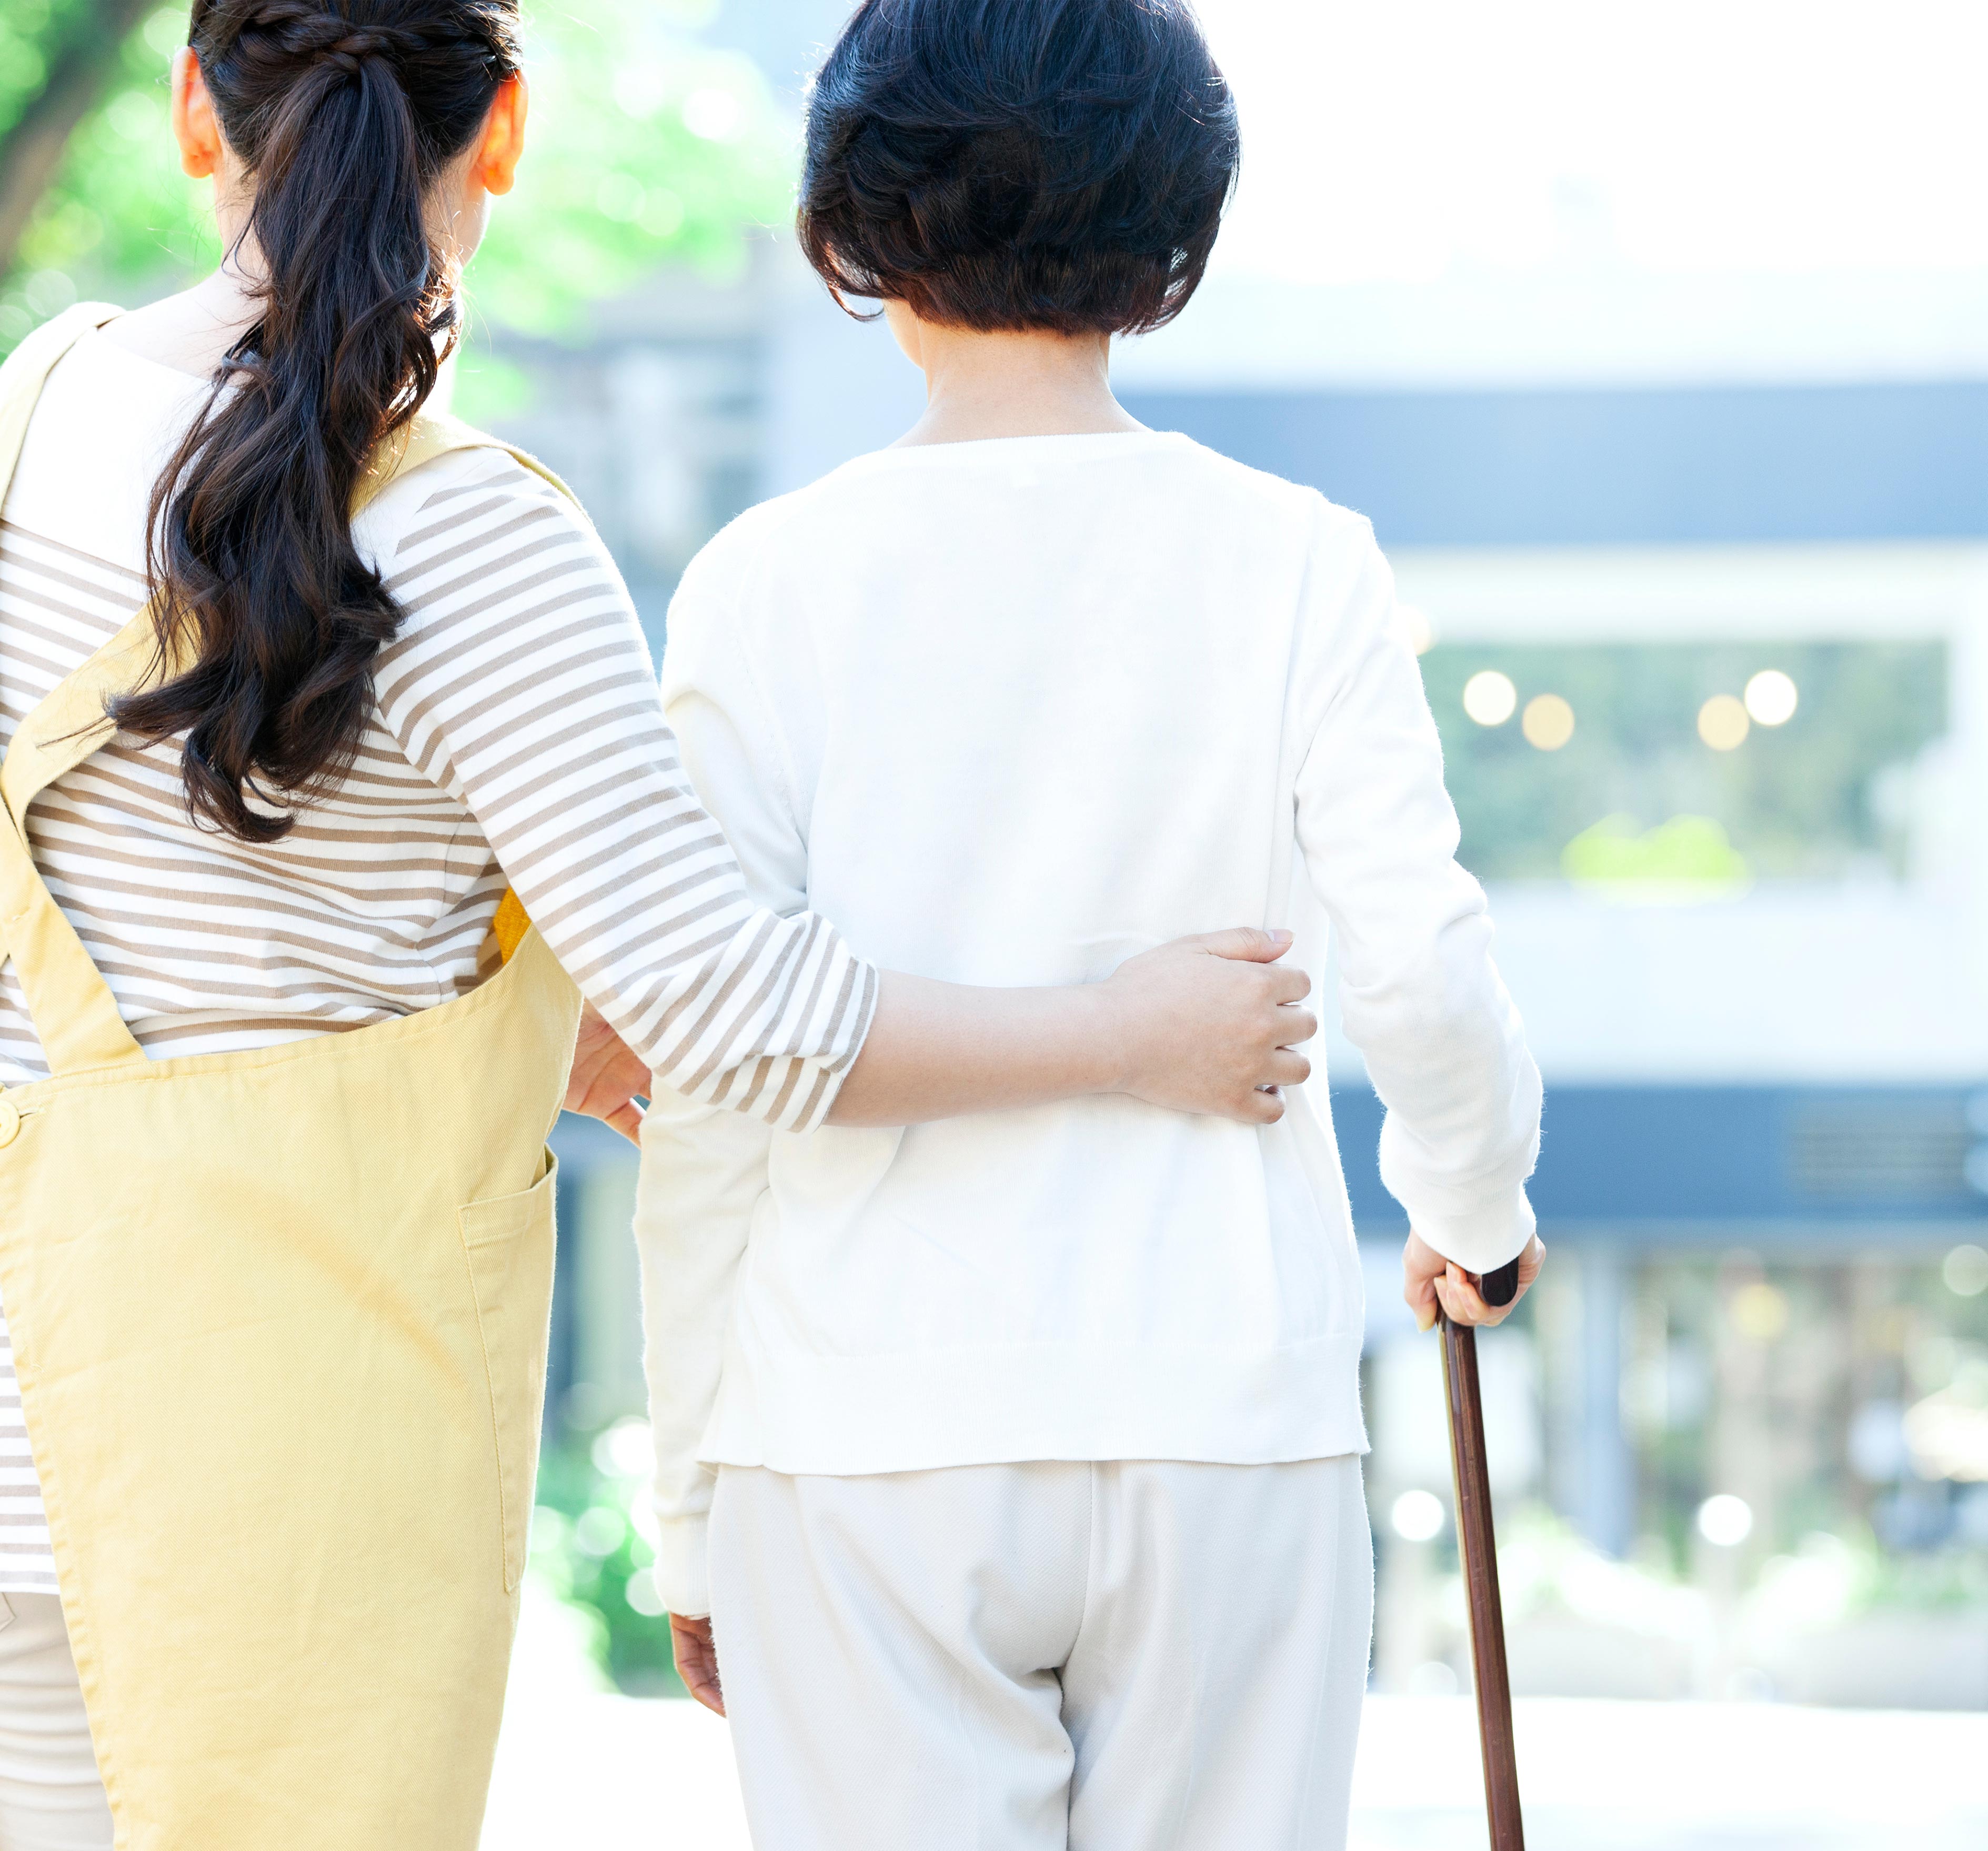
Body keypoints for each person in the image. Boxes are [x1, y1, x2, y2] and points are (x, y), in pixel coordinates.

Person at [0, 4, 1317, 1847]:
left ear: (193, 115)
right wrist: (1129, 1034)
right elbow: (739, 1018)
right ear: (505, 129)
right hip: (277, 1437)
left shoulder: (35, 408)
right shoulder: (472, 540)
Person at [635, 2, 1547, 1846]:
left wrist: (691, 1514)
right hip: (1225, 1410)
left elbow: (713, 1079)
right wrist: (1472, 1211)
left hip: (856, 1433)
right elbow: (1423, 973)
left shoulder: (762, 585)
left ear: (856, 218)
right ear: (1170, 226)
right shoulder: (1298, 557)